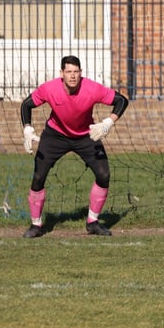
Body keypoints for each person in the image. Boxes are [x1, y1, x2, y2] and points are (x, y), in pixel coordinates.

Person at [20, 55, 129, 238]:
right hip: (55, 135)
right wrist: (28, 129)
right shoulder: (49, 88)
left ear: (81, 73)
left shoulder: (92, 88)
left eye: (76, 72)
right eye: (68, 72)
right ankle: (36, 225)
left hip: (86, 135)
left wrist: (107, 124)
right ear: (61, 73)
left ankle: (93, 222)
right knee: (38, 176)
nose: (72, 76)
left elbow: (122, 101)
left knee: (104, 174)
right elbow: (26, 105)